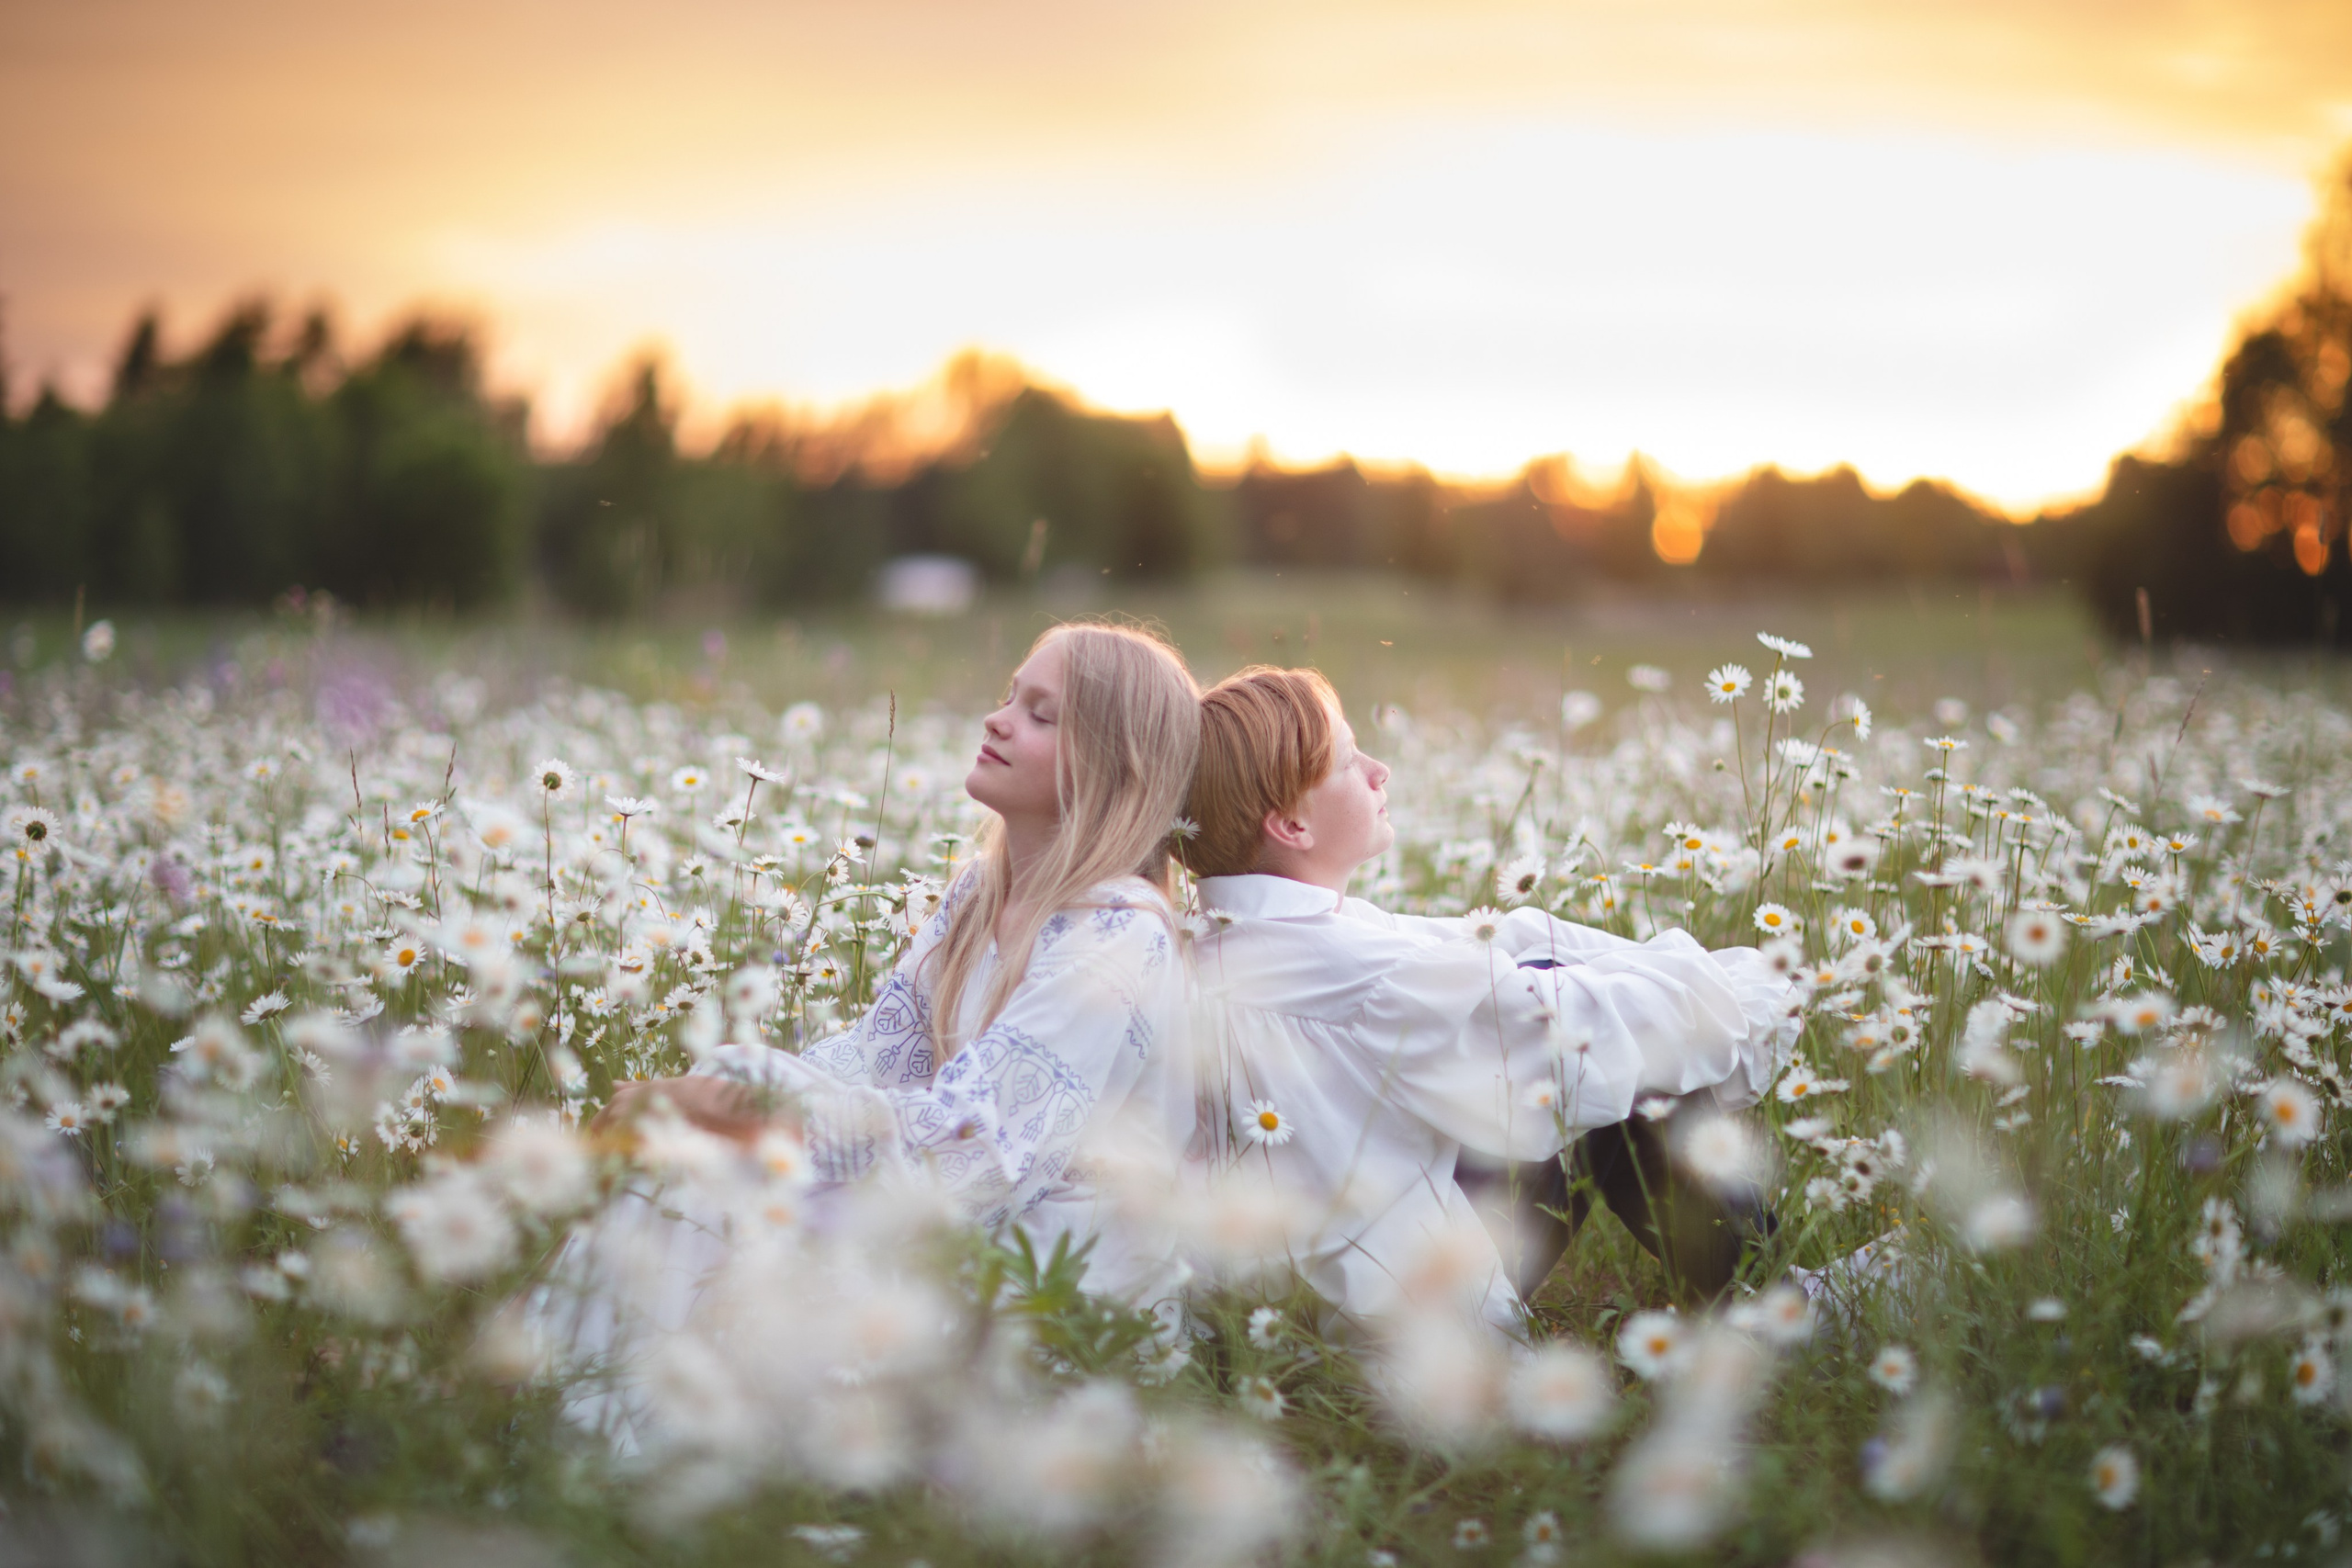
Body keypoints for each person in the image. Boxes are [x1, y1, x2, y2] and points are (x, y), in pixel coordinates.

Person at [548, 623, 1204, 1436]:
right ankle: (581, 1409)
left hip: (1055, 1294)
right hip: (965, 1232)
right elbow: (871, 1058)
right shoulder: (980, 894)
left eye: (1042, 714)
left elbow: (979, 1155)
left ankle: (605, 1433)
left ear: (1114, 767)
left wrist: (744, 1109)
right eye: (1009, 697)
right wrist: (729, 1093)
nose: (999, 720)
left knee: (737, 1170)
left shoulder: (1119, 937)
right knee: (717, 1137)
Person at [1180, 666, 1792, 1338]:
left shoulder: (1237, 937)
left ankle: (1759, 1290)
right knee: (1601, 1046)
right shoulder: (1345, 969)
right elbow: (1573, 1026)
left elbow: (1495, 941)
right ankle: (1771, 1303)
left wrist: (1674, 972)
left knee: (1568, 995)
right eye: (1351, 760)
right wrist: (1756, 988)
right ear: (1291, 823)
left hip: (1284, 1298)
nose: (1380, 771)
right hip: (1413, 1311)